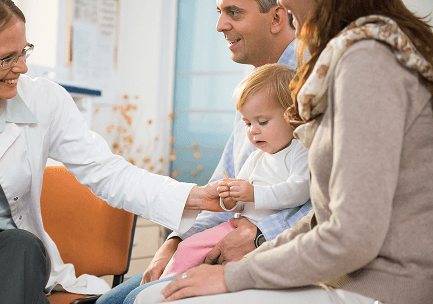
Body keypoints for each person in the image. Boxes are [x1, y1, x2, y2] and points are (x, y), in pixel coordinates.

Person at [0, 1, 224, 303]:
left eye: (24, 52)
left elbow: (107, 172)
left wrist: (192, 196)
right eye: (6, 58)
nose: (22, 68)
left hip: (13, 260)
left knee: (20, 244)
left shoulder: (44, 100)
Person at [134, 0, 433, 303]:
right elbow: (324, 219)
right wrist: (180, 240)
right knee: (150, 294)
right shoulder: (350, 59)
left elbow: (350, 236)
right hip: (345, 276)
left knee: (153, 298)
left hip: (378, 288)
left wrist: (236, 272)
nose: (284, 1)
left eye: (234, 12)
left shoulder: (366, 62)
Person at [96, 0, 313, 303]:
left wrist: (260, 234)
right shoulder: (254, 96)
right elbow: (220, 193)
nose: (220, 25)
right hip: (224, 241)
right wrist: (174, 241)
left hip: (272, 255)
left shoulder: (313, 86)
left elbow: (328, 200)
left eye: (233, 12)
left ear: (277, 18)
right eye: (219, 12)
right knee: (110, 301)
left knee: (140, 300)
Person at [159, 63, 309, 280]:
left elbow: (299, 191)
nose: (253, 130)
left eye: (262, 121)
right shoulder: (256, 157)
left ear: (292, 116)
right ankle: (165, 285)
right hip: (237, 227)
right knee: (189, 247)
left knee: (227, 268)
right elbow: (240, 202)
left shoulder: (300, 151)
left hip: (267, 241)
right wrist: (230, 199)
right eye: (247, 123)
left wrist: (252, 193)